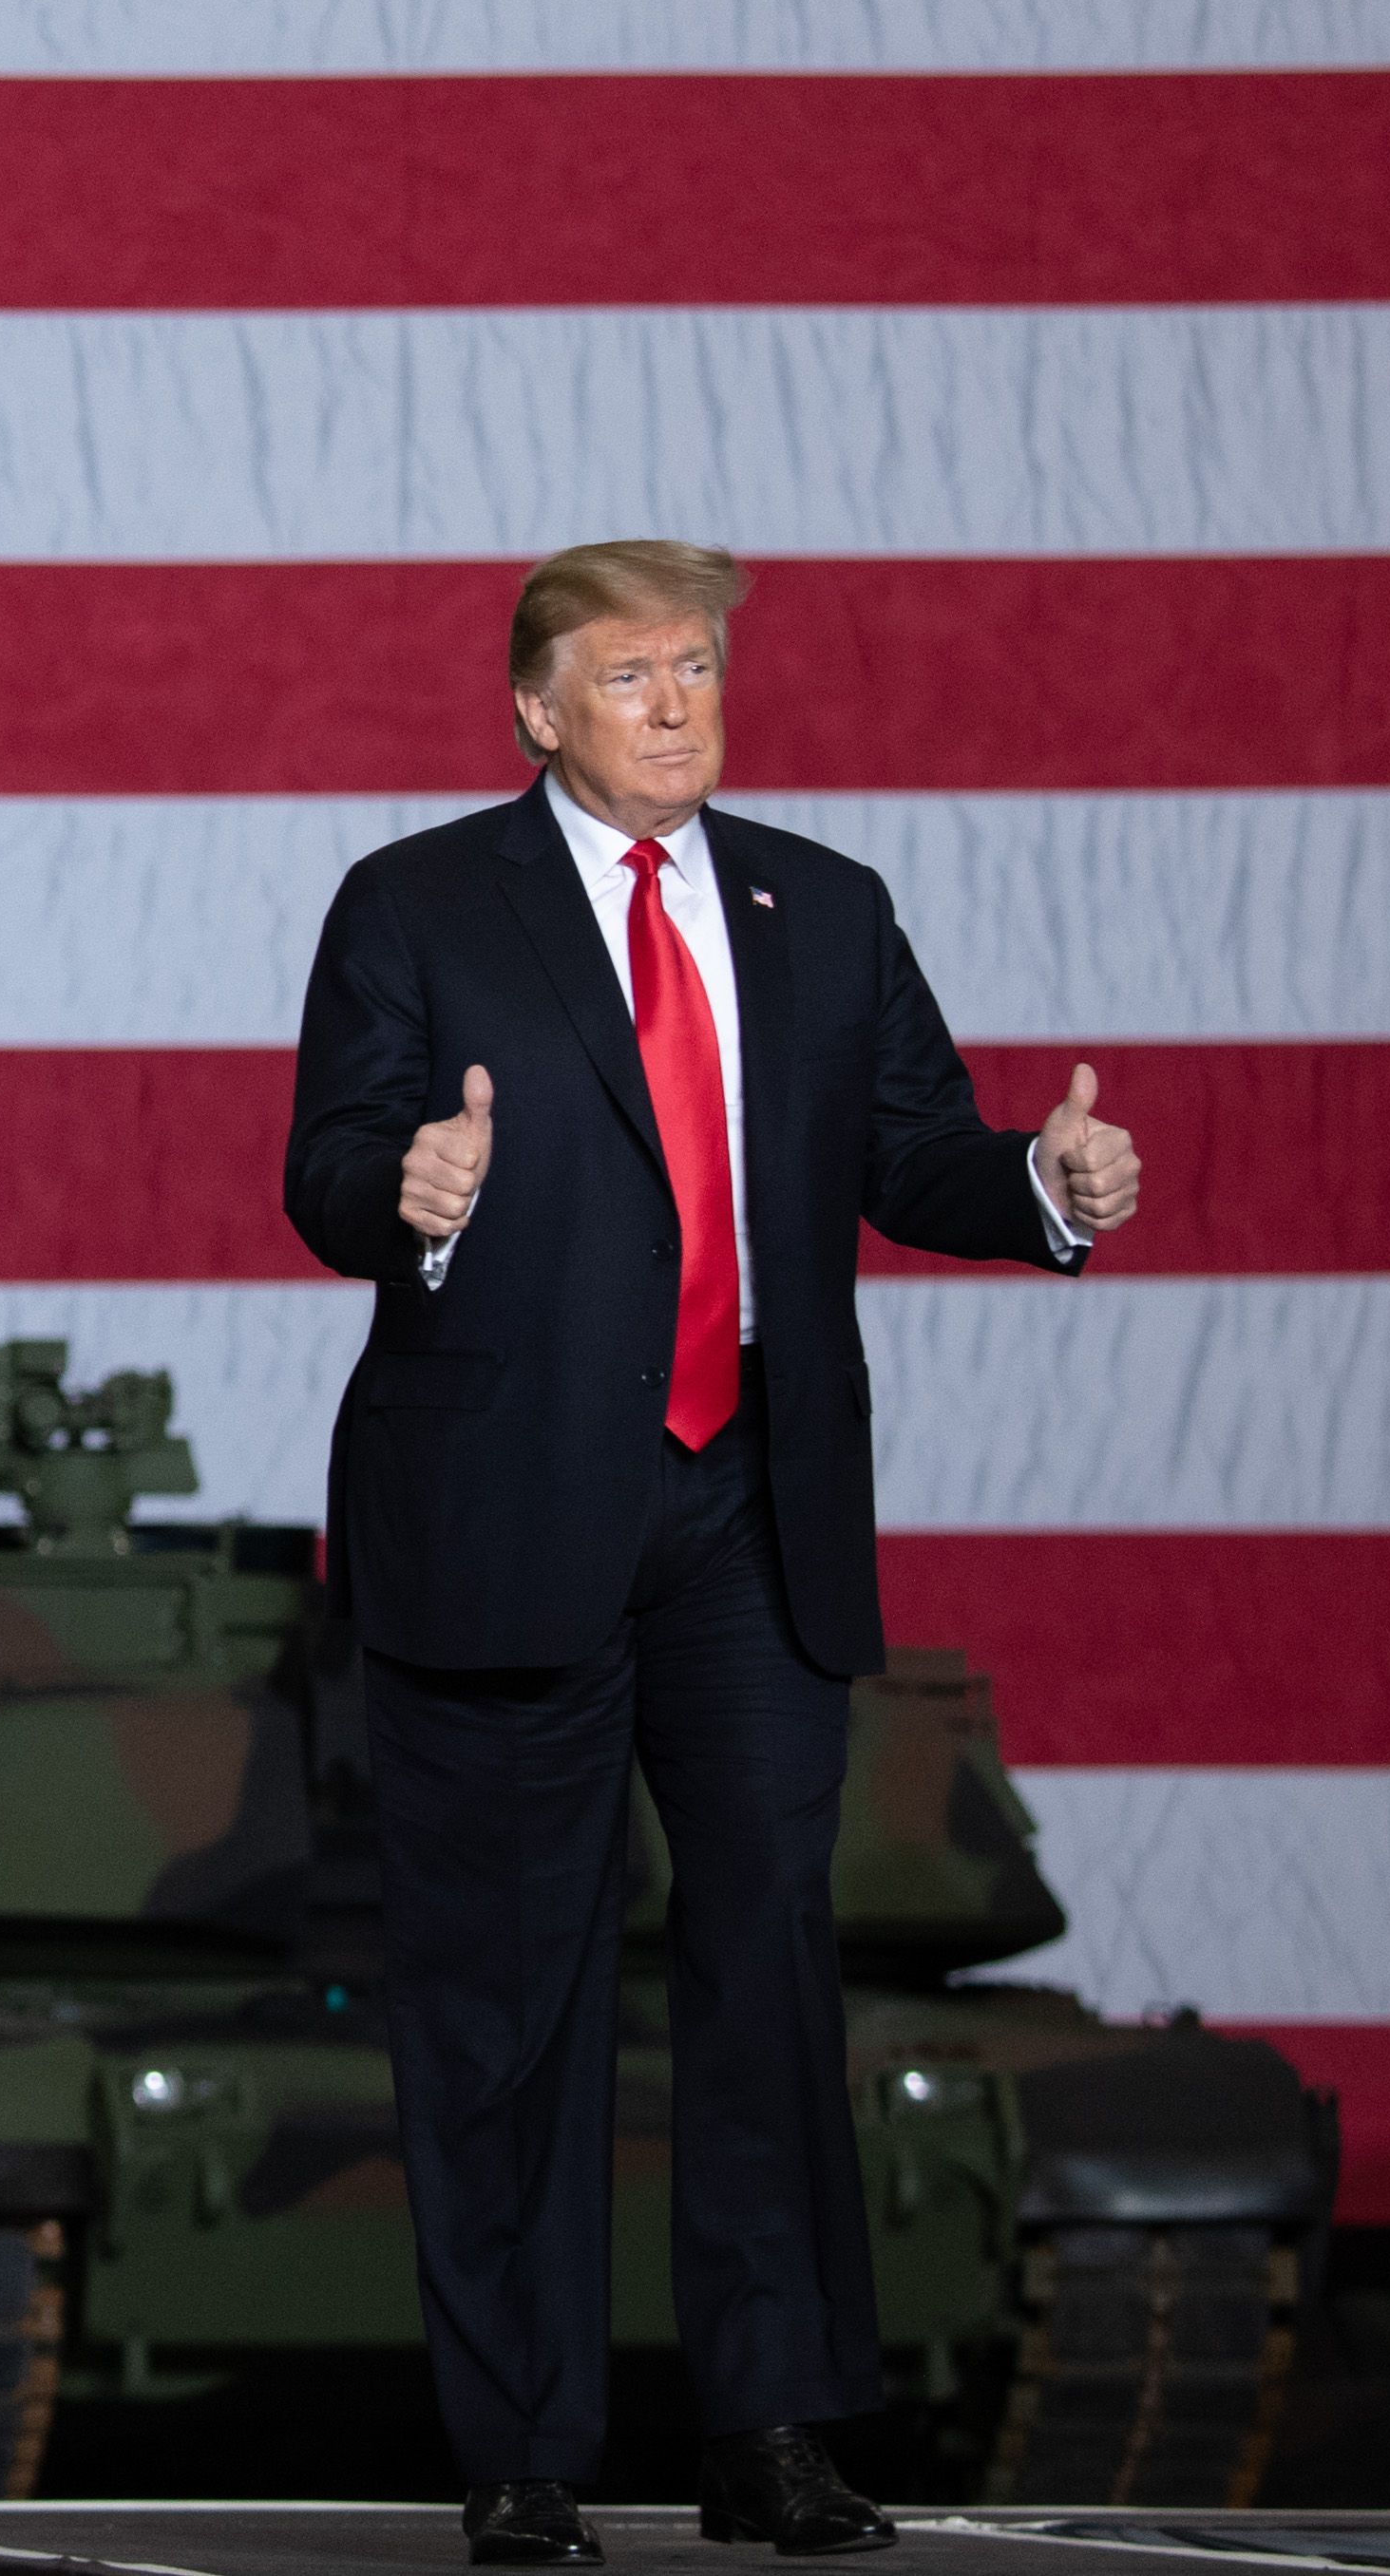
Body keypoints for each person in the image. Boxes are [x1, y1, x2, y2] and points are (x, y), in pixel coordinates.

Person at [280, 541, 1138, 2565]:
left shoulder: (819, 905)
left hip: (749, 1501)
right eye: (632, 670)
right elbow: (328, 1164)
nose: (679, 699)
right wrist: (408, 1182)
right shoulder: (414, 903)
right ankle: (523, 2448)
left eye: (698, 664)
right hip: (501, 1514)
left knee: (765, 1964)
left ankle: (770, 2424)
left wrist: (1040, 1180)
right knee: (512, 1997)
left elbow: (913, 1150)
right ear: (535, 710)